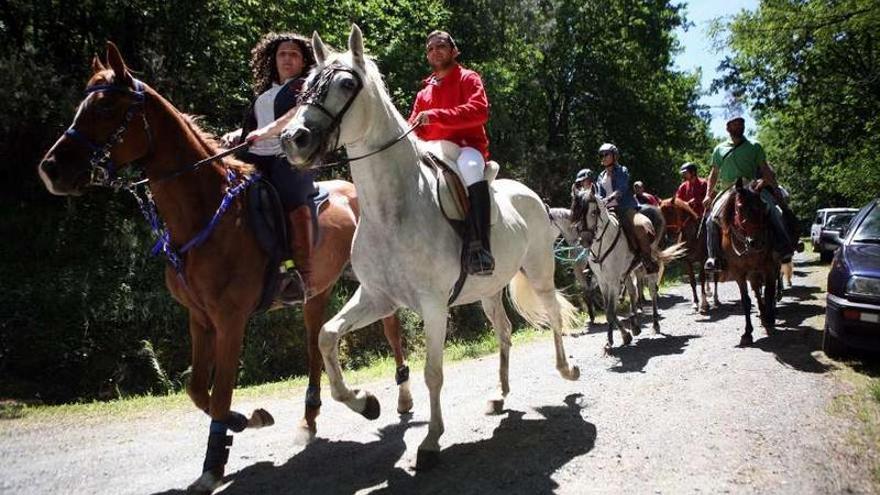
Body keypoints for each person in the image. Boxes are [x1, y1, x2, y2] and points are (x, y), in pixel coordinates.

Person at [237, 32, 319, 303]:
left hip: (291, 156)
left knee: (290, 200)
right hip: (258, 155)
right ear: (273, 59)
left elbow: (296, 114)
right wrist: (236, 134)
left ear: (303, 60)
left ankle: (301, 275)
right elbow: (256, 126)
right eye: (282, 54)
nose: (287, 59)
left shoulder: (307, 86)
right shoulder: (266, 92)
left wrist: (268, 130)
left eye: (294, 54)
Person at [408, 30, 494, 276]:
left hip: (467, 148)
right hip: (433, 152)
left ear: (454, 51)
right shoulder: (423, 93)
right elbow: (413, 128)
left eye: (441, 46)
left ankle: (480, 248)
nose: (435, 51)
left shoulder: (469, 78)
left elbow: (479, 111)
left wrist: (436, 116)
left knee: (470, 168)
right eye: (430, 48)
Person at [702, 115, 794, 271]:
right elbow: (714, 174)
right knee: (710, 220)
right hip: (729, 189)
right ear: (728, 128)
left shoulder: (754, 146)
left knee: (774, 210)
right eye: (735, 125)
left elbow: (765, 168)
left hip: (751, 188)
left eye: (741, 124)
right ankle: (714, 258)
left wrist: (771, 185)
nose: (739, 127)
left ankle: (783, 247)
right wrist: (707, 195)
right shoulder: (719, 149)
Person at [595, 143, 658, 273]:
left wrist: (608, 199)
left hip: (625, 209)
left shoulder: (622, 170)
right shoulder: (600, 176)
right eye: (601, 155)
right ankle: (593, 264)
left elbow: (621, 189)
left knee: (641, 226)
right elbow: (599, 194)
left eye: (606, 154)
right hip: (608, 210)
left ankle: (647, 259)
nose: (604, 157)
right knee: (591, 229)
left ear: (614, 156)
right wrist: (600, 202)